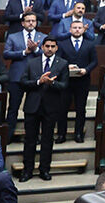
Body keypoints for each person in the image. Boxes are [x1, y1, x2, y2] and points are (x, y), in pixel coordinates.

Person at [20, 37, 69, 182]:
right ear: (42, 47)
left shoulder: (62, 63)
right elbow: (23, 83)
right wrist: (38, 82)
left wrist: (51, 83)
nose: (49, 49)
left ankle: (44, 170)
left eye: (53, 46)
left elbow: (64, 85)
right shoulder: (32, 62)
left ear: (57, 48)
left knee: (47, 141)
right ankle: (27, 171)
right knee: (30, 140)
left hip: (51, 107)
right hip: (32, 106)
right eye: (47, 46)